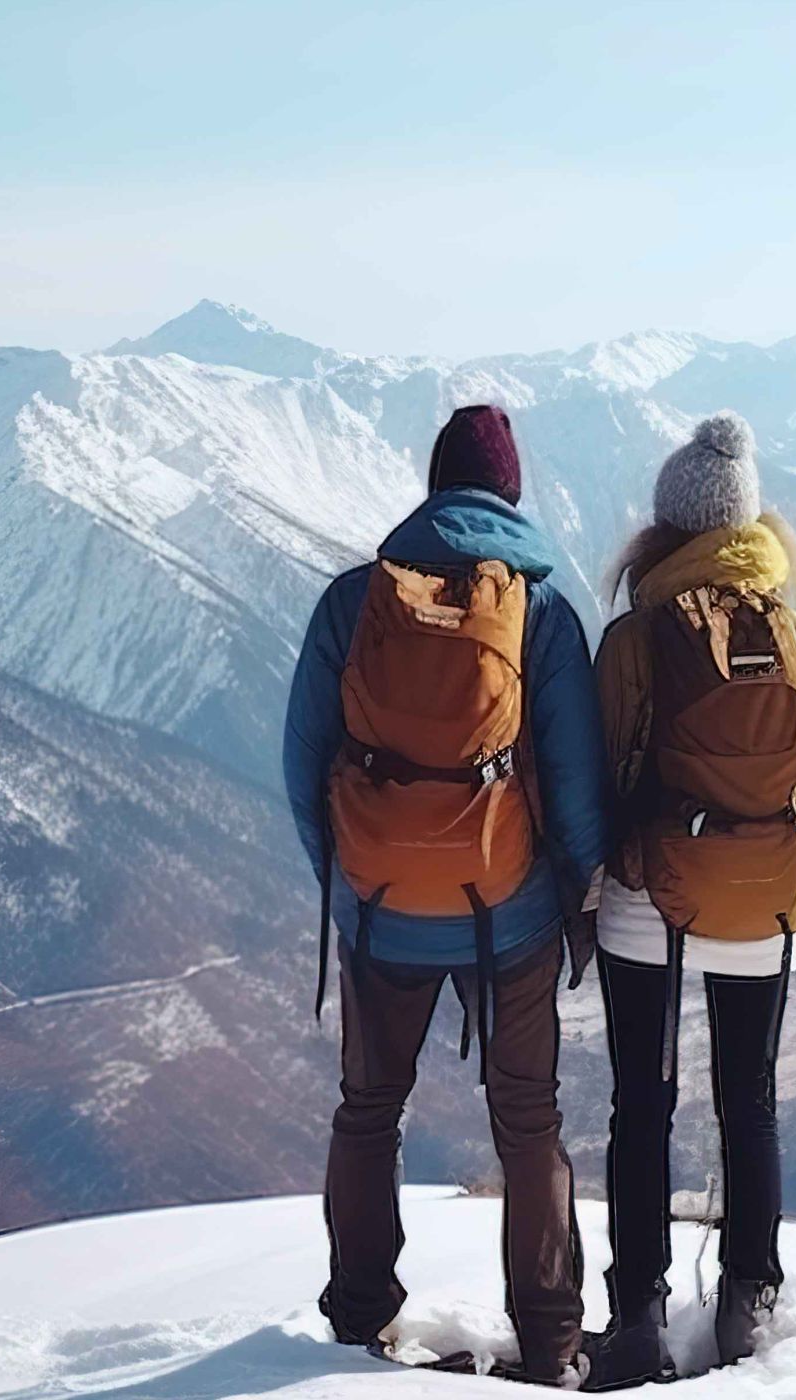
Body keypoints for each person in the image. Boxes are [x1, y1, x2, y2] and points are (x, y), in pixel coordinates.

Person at [282, 403, 609, 1385]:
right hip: (507, 917)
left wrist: (348, 886)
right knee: (529, 1118)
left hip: (380, 913)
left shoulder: (353, 601)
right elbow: (578, 783)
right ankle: (551, 1339)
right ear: (511, 495)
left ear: (433, 488)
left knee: (367, 1107)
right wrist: (577, 908)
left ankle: (357, 1318)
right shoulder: (542, 613)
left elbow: (304, 763)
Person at [580, 412, 796, 1390]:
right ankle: (748, 1305)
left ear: (663, 531)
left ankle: (636, 1321)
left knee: (640, 1108)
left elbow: (600, 778)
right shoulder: (795, 632)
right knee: (751, 1101)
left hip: (649, 903)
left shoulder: (634, 637)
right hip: (768, 905)